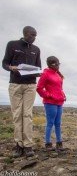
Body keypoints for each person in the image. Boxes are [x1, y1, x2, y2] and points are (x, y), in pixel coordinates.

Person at [2, 26, 41, 157]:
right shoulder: (12, 45)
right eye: (32, 35)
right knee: (17, 115)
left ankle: (28, 145)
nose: (34, 37)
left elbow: (38, 67)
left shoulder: (36, 50)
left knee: (27, 115)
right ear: (25, 33)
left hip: (30, 85)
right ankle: (19, 144)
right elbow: (4, 63)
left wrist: (37, 72)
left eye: (35, 35)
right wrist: (11, 67)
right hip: (15, 84)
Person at [36, 56, 66, 151]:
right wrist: (49, 95)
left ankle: (59, 143)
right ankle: (48, 143)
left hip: (59, 101)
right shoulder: (45, 74)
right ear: (50, 64)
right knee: (50, 123)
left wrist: (63, 95)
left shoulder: (57, 74)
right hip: (50, 103)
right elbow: (39, 88)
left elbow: (59, 88)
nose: (57, 65)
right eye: (55, 63)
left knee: (58, 123)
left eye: (58, 63)